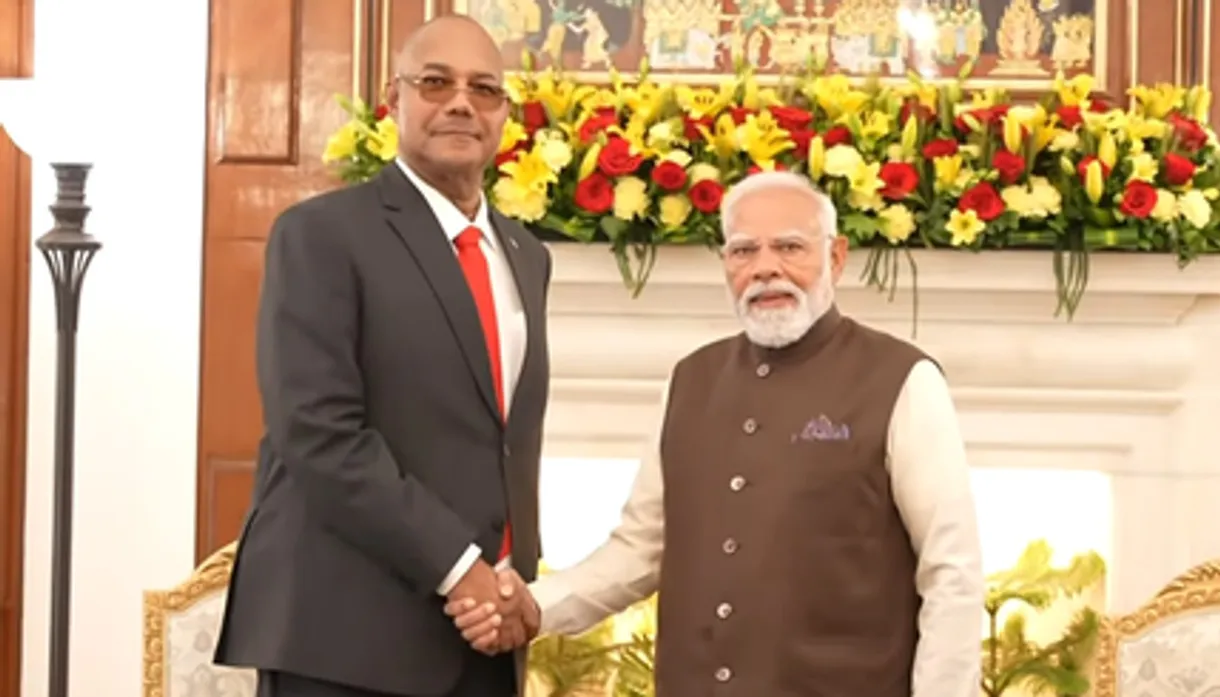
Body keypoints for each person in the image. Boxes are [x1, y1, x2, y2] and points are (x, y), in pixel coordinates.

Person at [447, 170, 986, 696]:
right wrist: (539, 605)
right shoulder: (690, 380)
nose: (765, 269)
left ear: (836, 257)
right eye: (744, 250)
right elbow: (641, 548)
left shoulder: (902, 379)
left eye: (791, 248)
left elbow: (952, 574)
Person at [213, 15, 550, 697]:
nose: (461, 101)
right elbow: (319, 433)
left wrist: (509, 587)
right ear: (395, 102)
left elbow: (503, 441)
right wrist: (463, 568)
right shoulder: (322, 235)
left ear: (504, 116)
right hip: (347, 638)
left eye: (484, 88)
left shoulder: (525, 255)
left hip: (480, 637)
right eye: (436, 82)